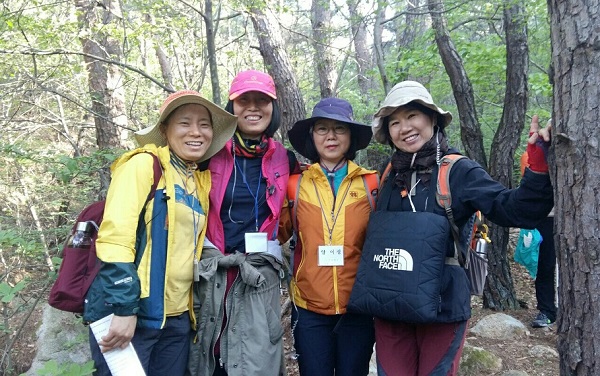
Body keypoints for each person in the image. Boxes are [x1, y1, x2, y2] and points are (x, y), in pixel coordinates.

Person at [365, 81, 554, 375]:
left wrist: (538, 168)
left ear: (432, 118)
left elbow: (515, 210)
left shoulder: (458, 170)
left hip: (443, 301)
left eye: (412, 115)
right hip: (391, 304)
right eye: (394, 122)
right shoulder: (389, 173)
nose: (404, 128)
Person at [83, 90, 237, 376]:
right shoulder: (143, 165)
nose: (196, 132)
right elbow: (116, 237)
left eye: (204, 124)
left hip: (177, 319)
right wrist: (124, 309)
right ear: (165, 130)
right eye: (185, 123)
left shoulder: (197, 181)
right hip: (130, 314)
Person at [187, 69, 299, 376]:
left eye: (262, 100)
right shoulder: (210, 152)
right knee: (212, 350)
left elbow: (295, 211)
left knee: (257, 354)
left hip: (258, 273)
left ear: (273, 108)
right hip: (214, 270)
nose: (253, 107)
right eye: (243, 100)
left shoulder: (284, 159)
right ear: (231, 107)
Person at [279, 98, 376, 376]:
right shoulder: (294, 185)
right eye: (322, 128)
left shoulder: (371, 184)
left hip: (357, 306)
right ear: (312, 136)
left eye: (339, 129)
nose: (330, 136)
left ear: (351, 136)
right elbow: (278, 233)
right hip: (308, 307)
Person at [520, 147, 557, 328]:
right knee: (545, 265)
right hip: (544, 218)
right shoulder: (532, 156)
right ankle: (547, 310)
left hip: (576, 218)